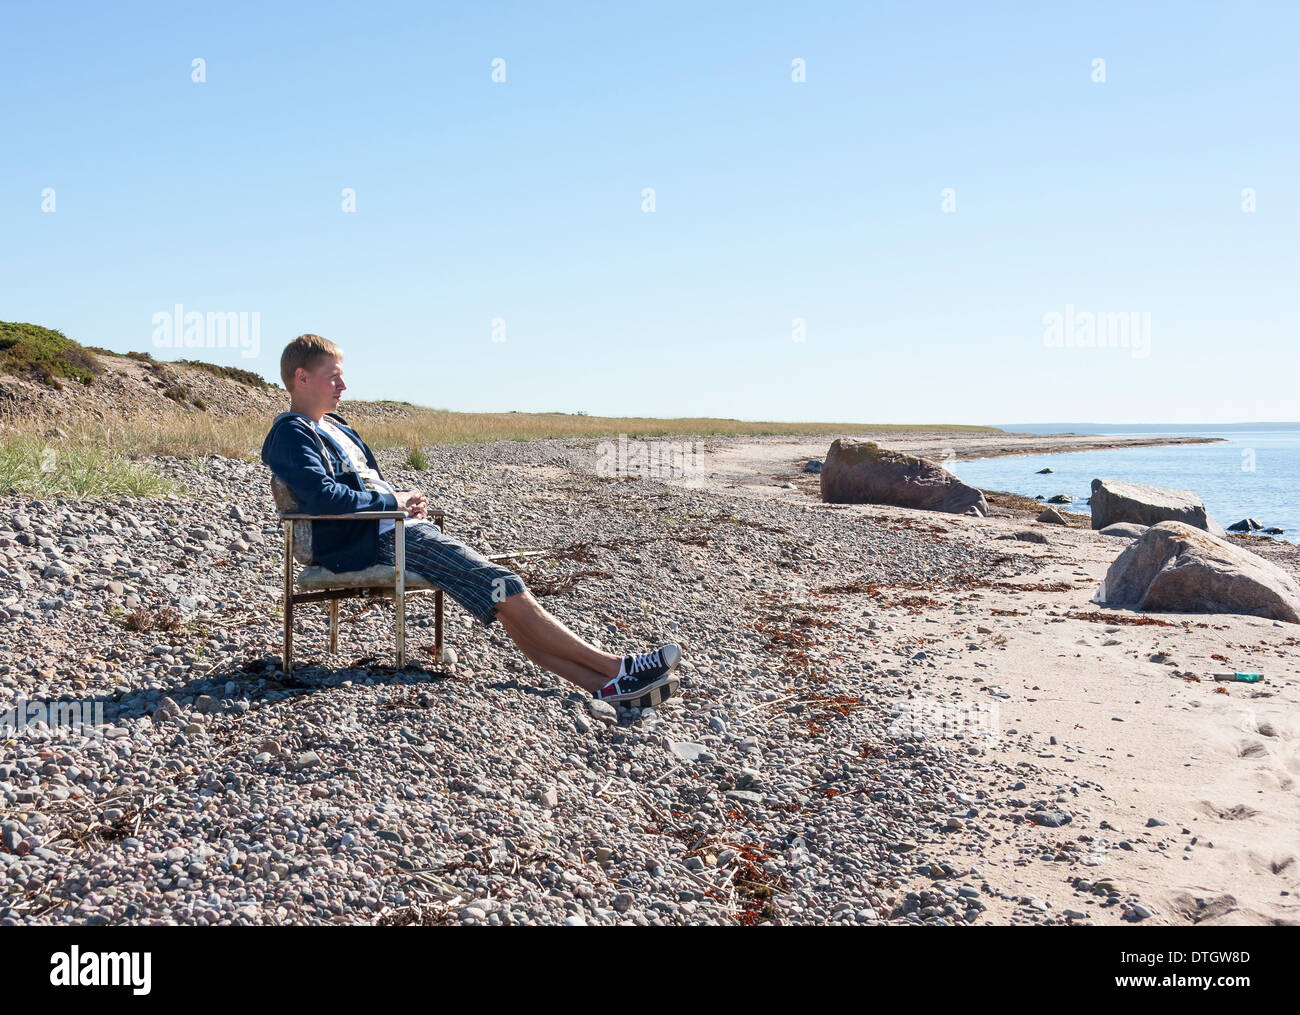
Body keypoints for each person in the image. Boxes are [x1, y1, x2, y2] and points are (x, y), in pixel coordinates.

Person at [260, 333, 681, 707]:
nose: (343, 386)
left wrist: (404, 503)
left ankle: (604, 685)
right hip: (372, 540)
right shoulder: (292, 433)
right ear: (302, 377)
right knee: (502, 584)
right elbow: (323, 497)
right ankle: (616, 667)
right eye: (333, 377)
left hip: (397, 529)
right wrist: (393, 501)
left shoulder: (336, 427)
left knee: (500, 594)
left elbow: (364, 484)